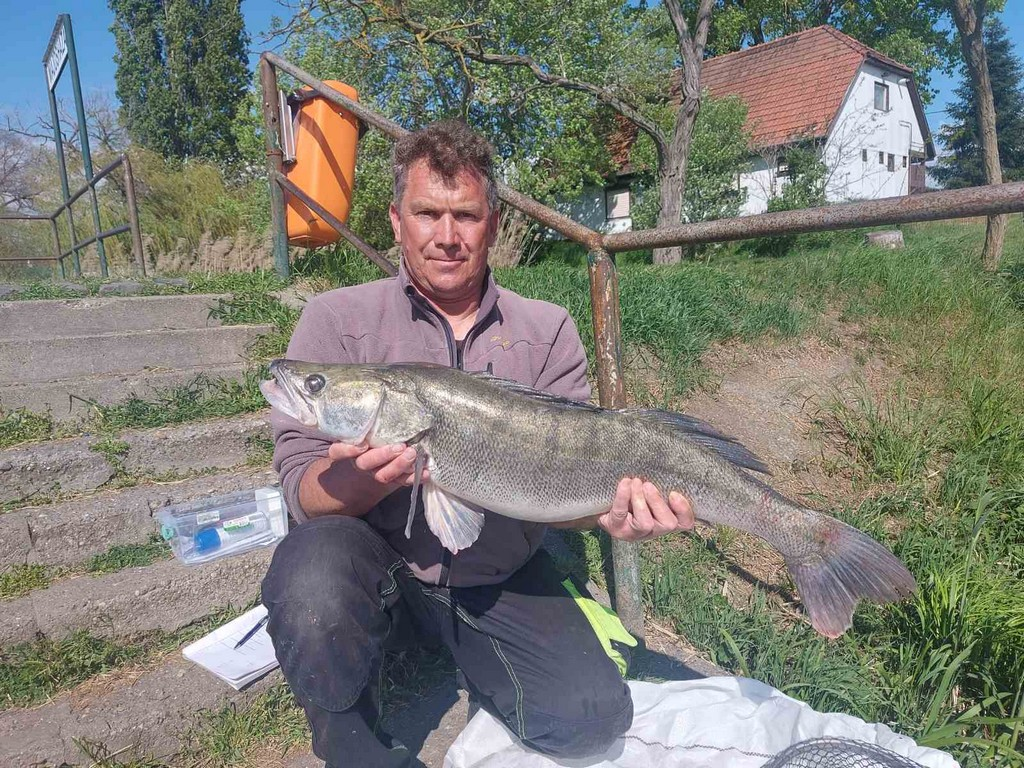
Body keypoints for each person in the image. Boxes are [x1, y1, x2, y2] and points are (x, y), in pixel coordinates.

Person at [263, 119, 694, 768]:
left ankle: (480, 656)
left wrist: (610, 514)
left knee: (592, 719)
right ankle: (356, 747)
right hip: (378, 566)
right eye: (426, 213)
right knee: (310, 577)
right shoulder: (336, 320)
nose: (446, 235)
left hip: (499, 575)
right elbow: (301, 489)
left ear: (491, 223)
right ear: (396, 221)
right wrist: (359, 481)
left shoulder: (546, 329)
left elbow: (567, 498)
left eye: (464, 215)